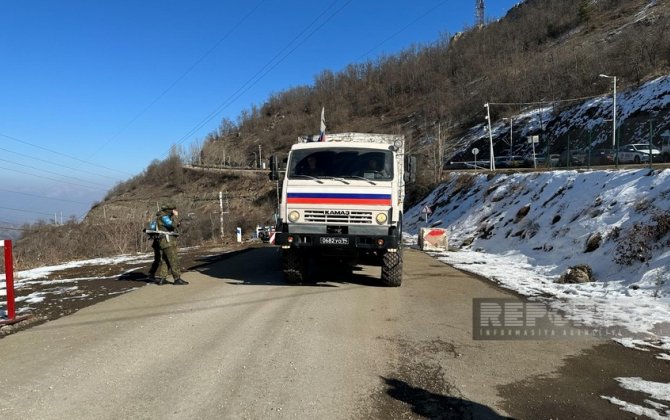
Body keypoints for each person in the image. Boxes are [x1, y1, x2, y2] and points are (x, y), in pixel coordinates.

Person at [155, 202, 189, 285]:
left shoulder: (160, 216)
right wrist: (176, 216)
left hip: (162, 241)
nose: (174, 211)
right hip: (168, 241)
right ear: (169, 210)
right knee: (174, 260)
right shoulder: (164, 217)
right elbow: (172, 225)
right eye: (173, 209)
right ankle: (177, 279)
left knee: (165, 260)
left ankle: (162, 279)